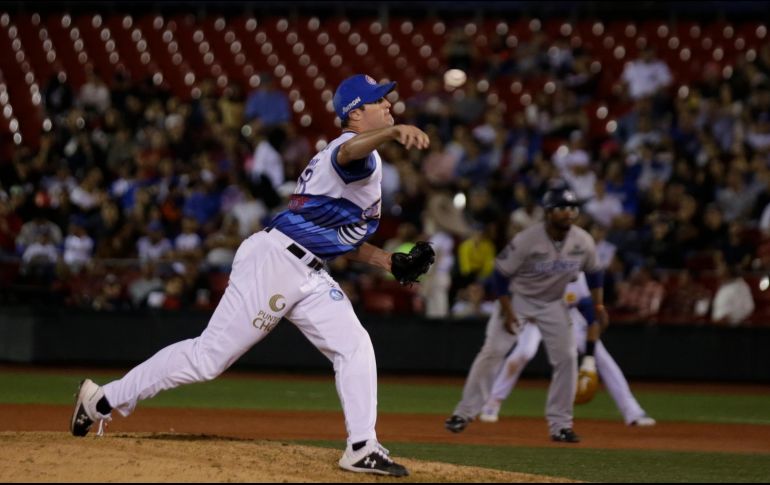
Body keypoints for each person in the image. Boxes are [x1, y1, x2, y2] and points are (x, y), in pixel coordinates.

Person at [70, 74, 430, 478]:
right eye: (379, 101)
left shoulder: (362, 155)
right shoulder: (351, 149)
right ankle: (102, 399)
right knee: (208, 359)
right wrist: (394, 131)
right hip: (276, 264)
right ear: (356, 112)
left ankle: (362, 446)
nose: (389, 105)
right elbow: (349, 153)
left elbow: (330, 232)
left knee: (355, 345)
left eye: (387, 101)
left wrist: (388, 261)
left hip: (308, 268)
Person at [444, 183, 607, 443]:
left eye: (572, 208)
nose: (568, 213)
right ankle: (464, 413)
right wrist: (508, 312)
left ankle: (561, 425)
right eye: (561, 208)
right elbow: (500, 275)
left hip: (553, 302)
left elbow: (596, 273)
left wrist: (598, 306)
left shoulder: (582, 240)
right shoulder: (528, 239)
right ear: (548, 212)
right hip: (517, 299)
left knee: (566, 358)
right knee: (492, 352)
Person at [478, 273, 656, 427]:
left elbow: (591, 320)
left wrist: (588, 359)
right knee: (524, 352)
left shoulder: (579, 280)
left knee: (601, 357)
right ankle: (493, 402)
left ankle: (633, 411)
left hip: (567, 315)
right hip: (535, 317)